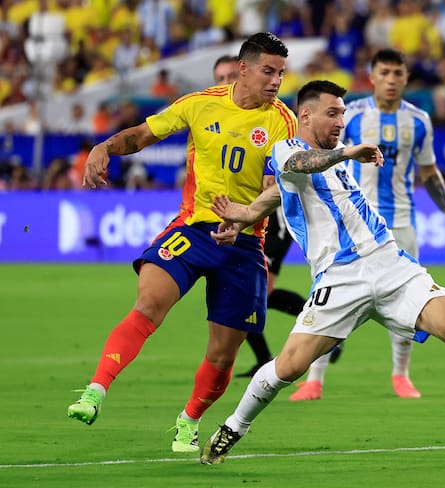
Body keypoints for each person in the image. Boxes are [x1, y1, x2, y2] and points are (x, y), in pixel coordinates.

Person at [200, 80, 445, 465]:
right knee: (289, 366)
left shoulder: (332, 158)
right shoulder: (290, 148)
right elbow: (296, 167)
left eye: (343, 112)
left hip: (390, 262)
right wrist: (347, 152)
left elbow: (283, 192)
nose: (342, 120)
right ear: (305, 115)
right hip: (340, 278)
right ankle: (233, 427)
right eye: (333, 112)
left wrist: (245, 214)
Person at [66, 32, 298, 454]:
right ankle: (95, 390)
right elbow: (140, 136)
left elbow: (272, 189)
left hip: (244, 244)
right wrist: (104, 147)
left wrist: (245, 220)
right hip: (193, 229)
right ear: (243, 69)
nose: (276, 81)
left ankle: (189, 420)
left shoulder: (282, 120)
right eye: (269, 71)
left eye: (281, 73)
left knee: (224, 356)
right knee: (148, 304)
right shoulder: (200, 103)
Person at [289, 48, 445, 401]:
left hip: (400, 222)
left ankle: (401, 375)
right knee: (326, 300)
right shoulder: (349, 115)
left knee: (411, 300)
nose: (390, 79)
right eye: (384, 72)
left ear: (405, 78)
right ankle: (314, 379)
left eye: (397, 73)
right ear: (372, 76)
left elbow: (429, 172)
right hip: (351, 224)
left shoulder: (419, 121)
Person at [210, 51, 308, 378]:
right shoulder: (215, 118)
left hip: (270, 219)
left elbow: (273, 173)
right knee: (248, 292)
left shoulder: (272, 118)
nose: (225, 83)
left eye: (229, 76)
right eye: (220, 78)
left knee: (258, 291)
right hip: (237, 218)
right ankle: (267, 356)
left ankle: (320, 322)